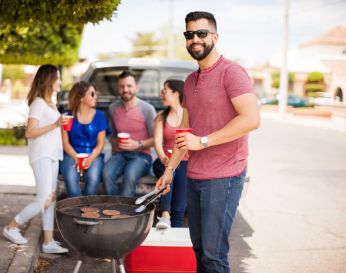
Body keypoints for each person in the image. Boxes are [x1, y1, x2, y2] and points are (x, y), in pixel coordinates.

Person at [155, 11, 260, 273]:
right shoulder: (191, 81)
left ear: (215, 36)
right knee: (200, 252)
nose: (195, 39)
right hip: (195, 176)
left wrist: (203, 141)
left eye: (201, 33)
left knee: (214, 257)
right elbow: (184, 130)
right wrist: (169, 170)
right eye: (189, 34)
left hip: (224, 177)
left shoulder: (231, 72)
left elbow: (251, 119)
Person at [2, 64, 69, 254]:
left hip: (52, 155)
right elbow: (29, 132)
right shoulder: (38, 103)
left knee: (51, 198)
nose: (60, 82)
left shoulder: (50, 103)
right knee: (43, 200)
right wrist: (55, 124)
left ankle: (48, 241)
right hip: (41, 156)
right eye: (57, 78)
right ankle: (12, 226)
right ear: (49, 80)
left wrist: (58, 124)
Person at [103, 70, 157, 197]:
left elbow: (157, 139)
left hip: (142, 156)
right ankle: (114, 209)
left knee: (130, 175)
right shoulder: (113, 108)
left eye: (129, 86)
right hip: (121, 154)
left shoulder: (147, 109)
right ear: (118, 88)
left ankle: (125, 213)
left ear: (136, 88)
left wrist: (137, 144)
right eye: (122, 86)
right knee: (106, 173)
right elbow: (113, 136)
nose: (125, 89)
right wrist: (114, 153)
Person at [60, 81, 109, 197]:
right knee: (71, 180)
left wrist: (90, 159)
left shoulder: (99, 116)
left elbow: (100, 145)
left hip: (94, 155)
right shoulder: (66, 116)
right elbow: (65, 143)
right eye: (92, 94)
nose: (95, 97)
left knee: (93, 179)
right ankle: (78, 209)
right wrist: (76, 158)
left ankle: (87, 209)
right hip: (71, 154)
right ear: (81, 97)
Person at [153, 79, 188, 229]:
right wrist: (163, 158)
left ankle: (176, 224)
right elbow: (157, 142)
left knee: (180, 172)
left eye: (164, 90)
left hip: (184, 162)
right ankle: (165, 215)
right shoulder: (161, 116)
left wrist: (175, 164)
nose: (161, 94)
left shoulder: (189, 115)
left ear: (176, 93)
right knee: (168, 170)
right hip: (164, 161)